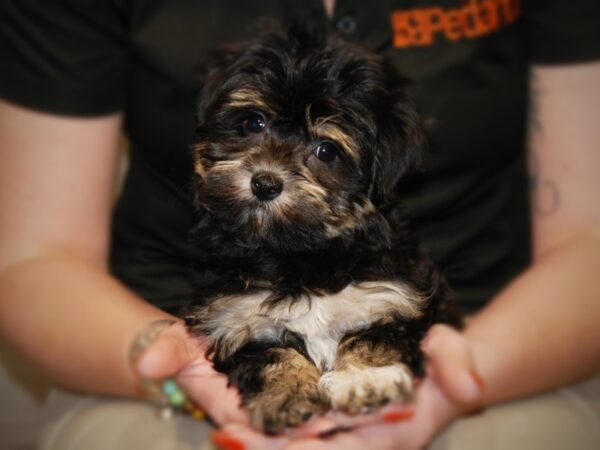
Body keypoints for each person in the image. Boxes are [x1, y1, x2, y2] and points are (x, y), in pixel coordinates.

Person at [0, 1, 599, 449]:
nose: (268, 170)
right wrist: (164, 356)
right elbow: (32, 260)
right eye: (253, 123)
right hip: (154, 352)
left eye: (325, 151)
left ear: (378, 178)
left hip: (503, 350)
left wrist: (459, 373)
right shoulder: (225, 296)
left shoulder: (394, 281)